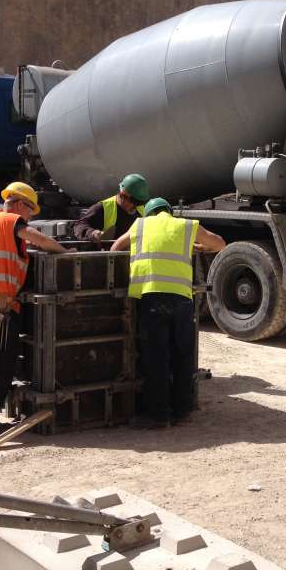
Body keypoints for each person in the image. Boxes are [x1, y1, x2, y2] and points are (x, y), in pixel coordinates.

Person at [0, 182, 70, 440]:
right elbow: (39, 239)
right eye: (30, 211)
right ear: (21, 204)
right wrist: (66, 253)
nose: (30, 217)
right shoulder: (12, 221)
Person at [112, 197, 226, 428]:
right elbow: (220, 244)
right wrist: (198, 247)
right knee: (183, 355)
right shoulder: (185, 226)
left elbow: (115, 248)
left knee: (156, 357)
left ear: (150, 213)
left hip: (152, 296)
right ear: (169, 213)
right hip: (182, 298)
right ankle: (183, 412)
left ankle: (158, 415)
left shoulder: (140, 225)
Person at [73, 173, 150, 244]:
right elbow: (79, 225)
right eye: (134, 202)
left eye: (139, 203)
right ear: (123, 195)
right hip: (108, 255)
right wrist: (93, 233)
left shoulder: (141, 209)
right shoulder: (103, 208)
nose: (136, 206)